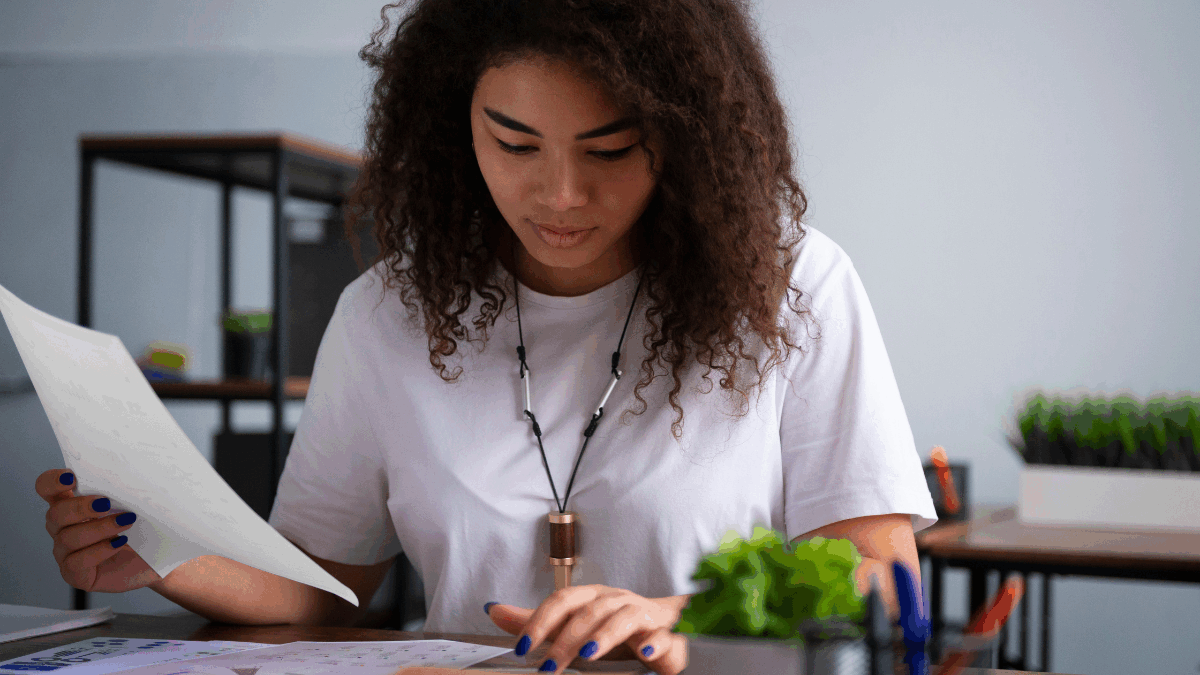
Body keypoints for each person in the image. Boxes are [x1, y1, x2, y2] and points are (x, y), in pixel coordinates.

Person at [35, 1, 937, 673]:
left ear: (683, 137)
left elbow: (879, 572)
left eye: (610, 150)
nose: (561, 194)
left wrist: (681, 618)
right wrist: (161, 554)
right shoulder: (387, 313)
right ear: (453, 124)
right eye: (514, 143)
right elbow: (322, 590)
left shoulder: (791, 288)